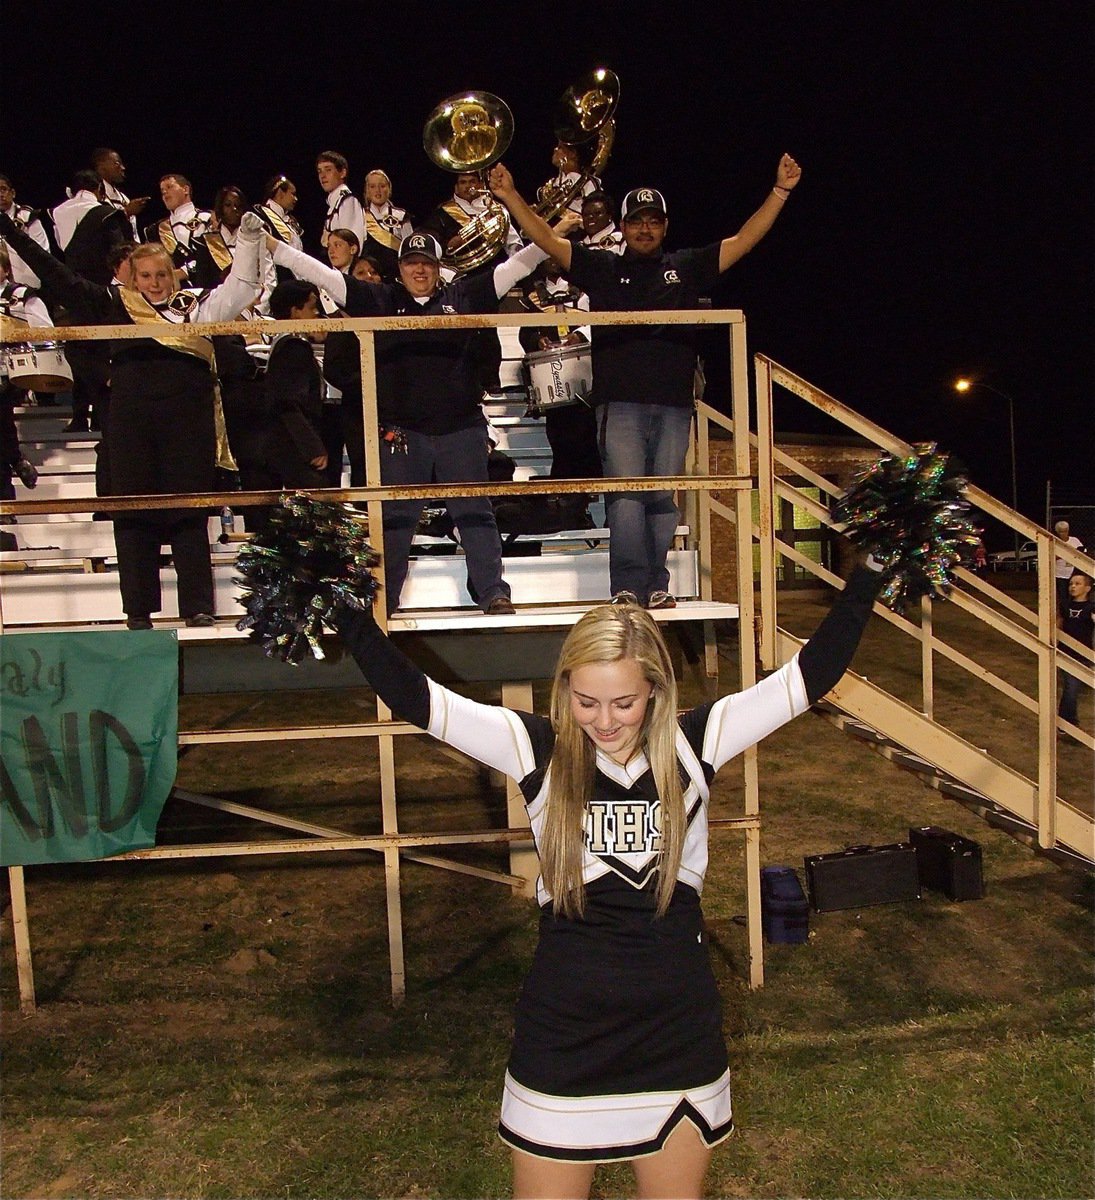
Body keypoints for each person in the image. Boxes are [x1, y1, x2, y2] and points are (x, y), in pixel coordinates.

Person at [331, 553, 885, 1197]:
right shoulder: (534, 747)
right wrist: (342, 604)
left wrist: (868, 571)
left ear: (655, 688)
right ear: (564, 688)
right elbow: (416, 698)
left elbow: (808, 678)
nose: (604, 720)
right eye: (586, 700)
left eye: (623, 701)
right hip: (565, 1029)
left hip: (674, 1026)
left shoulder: (696, 744)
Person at [489, 154, 802, 608]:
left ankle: (657, 583)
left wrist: (780, 192)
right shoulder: (602, 268)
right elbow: (547, 241)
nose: (645, 229)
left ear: (665, 226)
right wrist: (511, 196)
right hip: (620, 405)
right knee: (627, 498)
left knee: (661, 497)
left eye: (654, 222)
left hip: (674, 404)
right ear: (624, 226)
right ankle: (626, 587)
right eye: (637, 222)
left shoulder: (687, 266)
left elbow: (745, 240)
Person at [266, 227, 553, 615]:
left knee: (476, 514)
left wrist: (550, 237)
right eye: (411, 263)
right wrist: (274, 246)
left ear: (438, 268)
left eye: (426, 264)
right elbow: (322, 275)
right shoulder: (378, 298)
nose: (419, 270)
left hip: (461, 427)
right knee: (395, 519)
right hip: (401, 431)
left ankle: (492, 592)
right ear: (399, 268)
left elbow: (516, 267)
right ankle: (383, 600)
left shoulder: (462, 295)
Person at [0, 209, 264, 628]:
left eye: (161, 274)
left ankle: (197, 607)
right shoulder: (111, 304)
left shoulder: (196, 307)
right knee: (132, 515)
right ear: (131, 278)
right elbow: (56, 275)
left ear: (172, 275)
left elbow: (242, 286)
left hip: (188, 429)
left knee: (189, 514)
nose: (155, 283)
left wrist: (249, 243)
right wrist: (9, 231)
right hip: (131, 427)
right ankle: (138, 612)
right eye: (145, 276)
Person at [261, 279, 328, 496]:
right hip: (295, 450)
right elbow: (288, 404)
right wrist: (313, 448)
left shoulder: (285, 344)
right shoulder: (293, 348)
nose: (317, 312)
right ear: (295, 312)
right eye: (311, 307)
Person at [145, 173, 212, 284]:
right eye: (162, 191)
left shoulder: (206, 218)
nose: (165, 192)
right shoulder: (155, 230)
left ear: (185, 189)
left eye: (169, 187)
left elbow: (213, 257)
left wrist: (183, 272)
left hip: (205, 288)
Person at [0, 174, 50, 287]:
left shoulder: (28, 218)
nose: (0, 195)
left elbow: (43, 253)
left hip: (30, 284)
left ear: (13, 193)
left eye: (3, 189)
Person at [1057, 571, 1094, 728]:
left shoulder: (1091, 607)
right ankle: (1070, 724)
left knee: (1072, 689)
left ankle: (1062, 722)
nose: (1072, 587)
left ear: (1087, 588)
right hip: (1065, 652)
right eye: (1071, 584)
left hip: (1084, 654)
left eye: (1078, 584)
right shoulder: (1065, 605)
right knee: (1071, 688)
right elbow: (1058, 622)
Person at [362, 169, 412, 282]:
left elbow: (409, 248)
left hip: (397, 276)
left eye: (382, 186)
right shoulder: (360, 216)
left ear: (389, 189)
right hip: (369, 277)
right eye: (372, 186)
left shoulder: (401, 216)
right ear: (367, 191)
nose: (377, 190)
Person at [92, 147, 148, 238]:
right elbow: (97, 227)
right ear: (101, 167)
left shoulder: (123, 198)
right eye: (117, 163)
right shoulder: (93, 195)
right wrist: (127, 212)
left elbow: (134, 234)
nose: (123, 168)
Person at [316, 150, 365, 250]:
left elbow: (353, 242)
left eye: (328, 170)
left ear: (342, 173)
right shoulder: (335, 203)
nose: (322, 175)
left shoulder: (347, 201)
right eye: (319, 171)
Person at [1053, 520, 1086, 611]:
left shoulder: (1074, 541)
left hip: (1073, 573)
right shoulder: (1055, 541)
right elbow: (1051, 556)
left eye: (1065, 531)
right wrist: (1063, 555)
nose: (1063, 534)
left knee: (1074, 595)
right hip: (1059, 574)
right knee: (1063, 596)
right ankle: (1064, 613)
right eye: (1061, 532)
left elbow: (1082, 551)